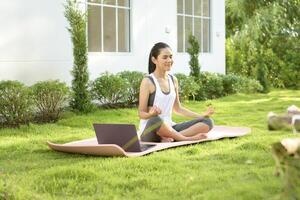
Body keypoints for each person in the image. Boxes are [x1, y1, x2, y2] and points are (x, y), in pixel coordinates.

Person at [138, 42, 214, 142]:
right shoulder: (148, 81)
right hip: (151, 130)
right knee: (155, 119)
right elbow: (141, 113)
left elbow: (178, 109)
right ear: (154, 60)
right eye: (165, 57)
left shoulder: (173, 80)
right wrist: (151, 114)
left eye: (170, 57)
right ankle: (185, 138)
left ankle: (171, 138)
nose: (169, 60)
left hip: (169, 128)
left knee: (208, 122)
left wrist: (201, 115)